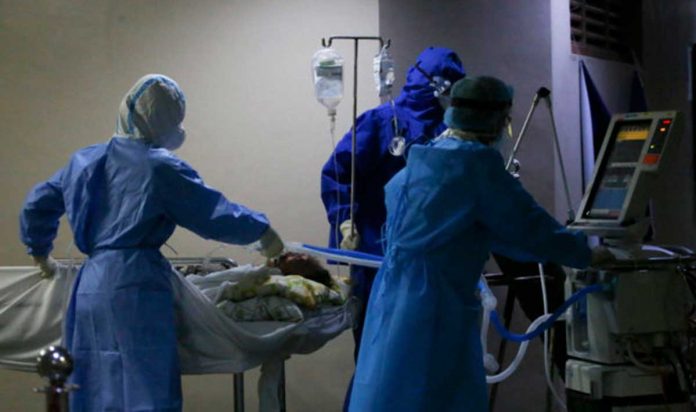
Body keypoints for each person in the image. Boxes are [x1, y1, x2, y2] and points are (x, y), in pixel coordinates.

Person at [19, 74, 284, 412]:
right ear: (166, 120)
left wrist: (39, 251)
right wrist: (263, 235)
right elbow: (212, 213)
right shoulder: (160, 167)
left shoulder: (83, 161)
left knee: (90, 387)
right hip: (136, 287)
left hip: (89, 287)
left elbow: (37, 203)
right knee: (145, 390)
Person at [348, 76, 614, 412]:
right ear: (500, 120)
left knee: (392, 389)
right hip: (436, 303)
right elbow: (529, 227)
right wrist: (587, 254)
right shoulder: (477, 167)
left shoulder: (423, 160)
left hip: (391, 295)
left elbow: (490, 231)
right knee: (434, 392)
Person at [320, 44, 465, 354]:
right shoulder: (379, 122)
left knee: (429, 354)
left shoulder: (449, 132)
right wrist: (345, 220)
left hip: (433, 261)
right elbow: (339, 173)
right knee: (379, 348)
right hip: (377, 253)